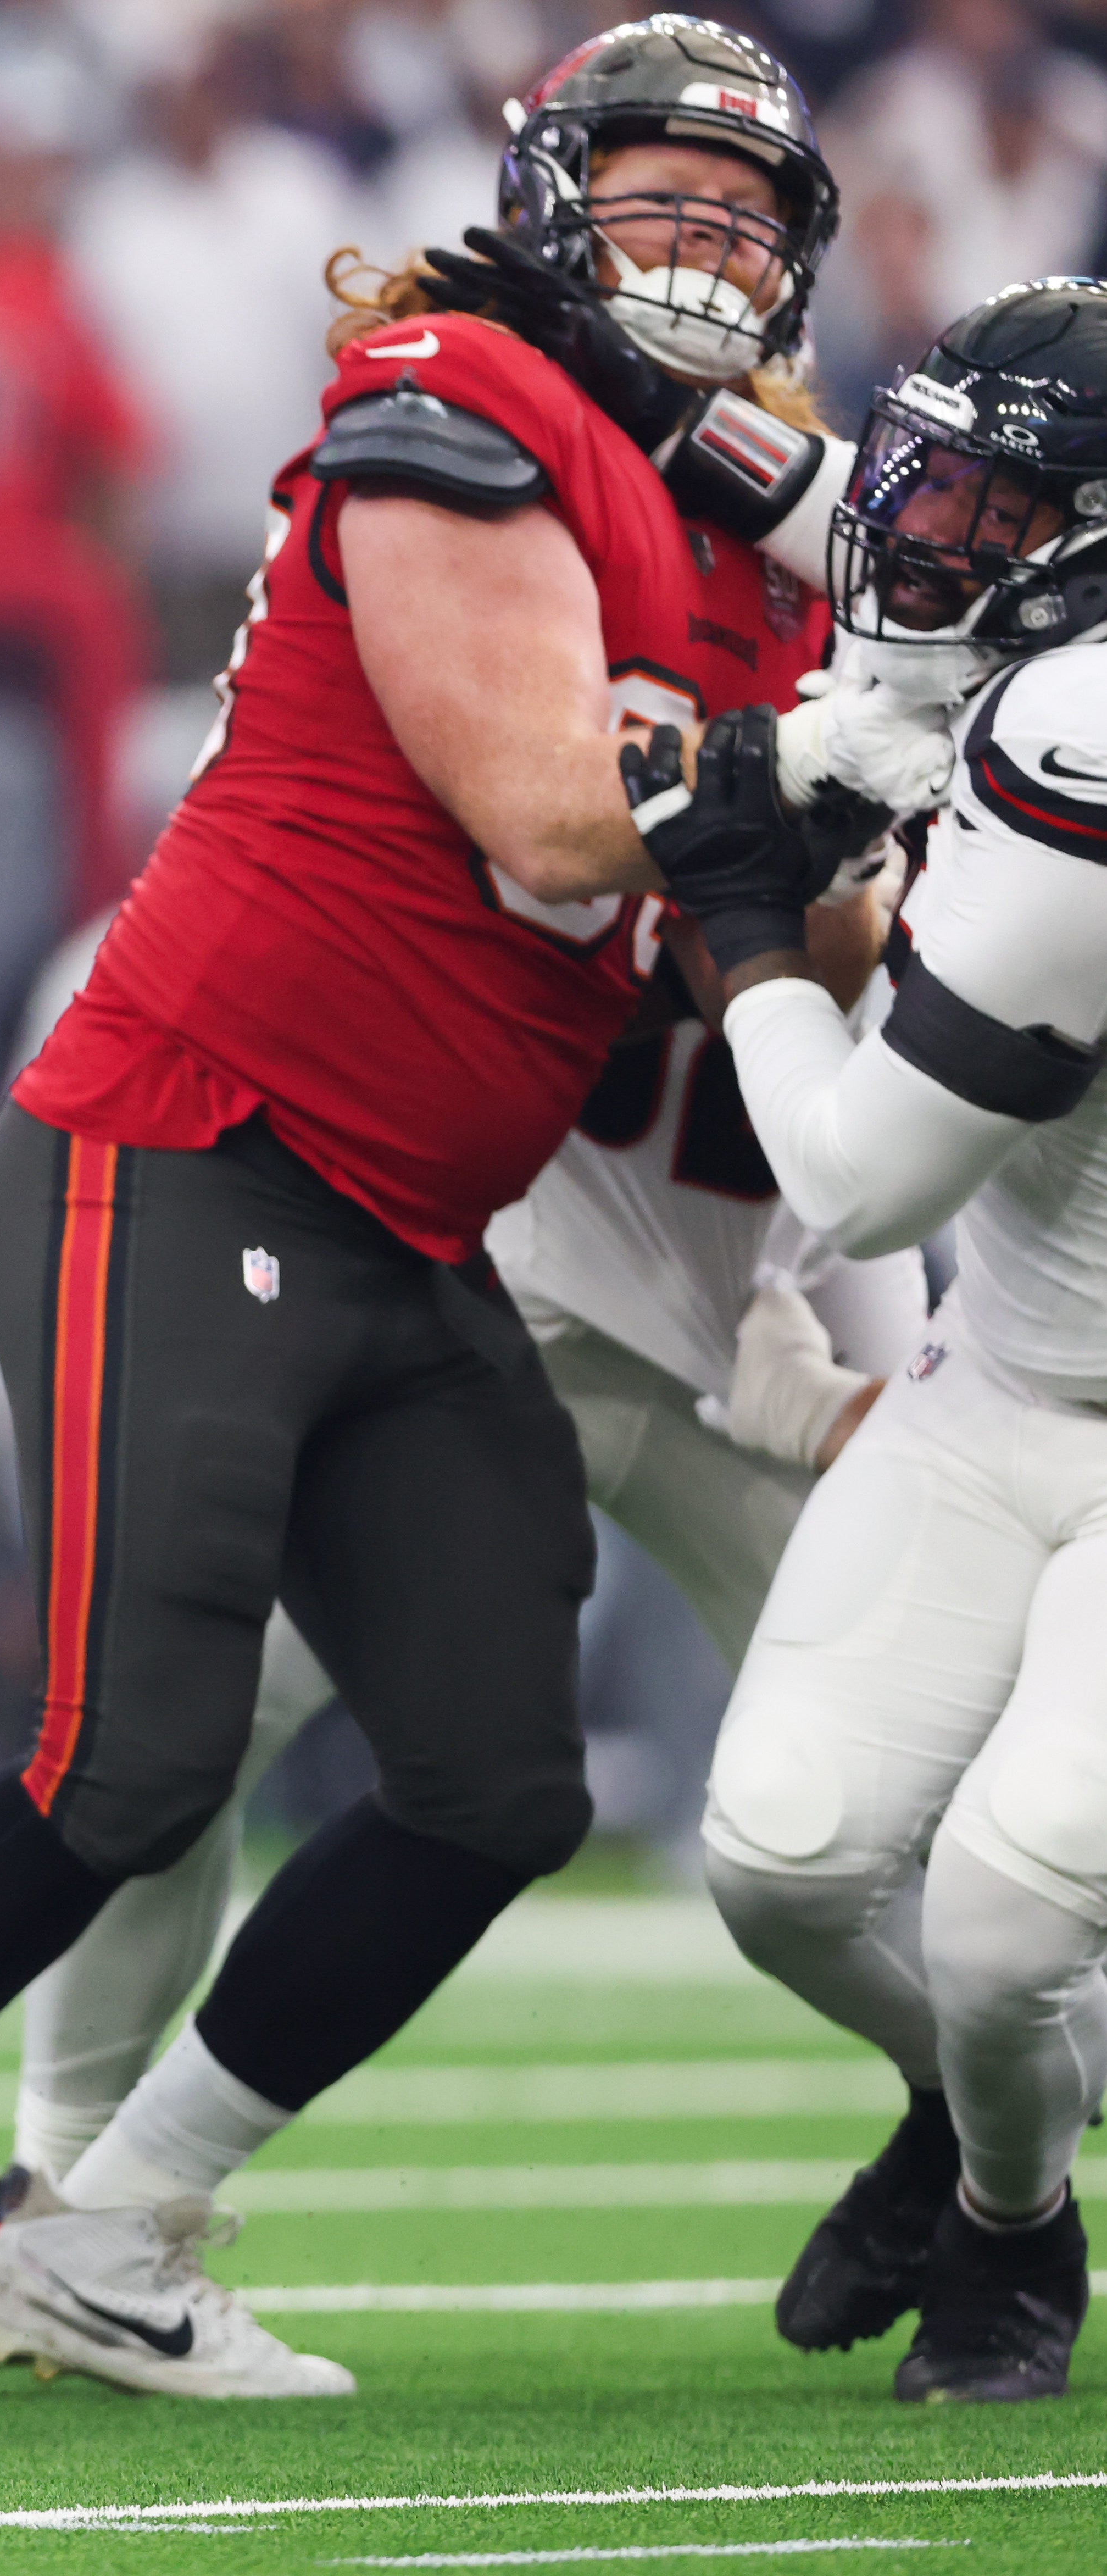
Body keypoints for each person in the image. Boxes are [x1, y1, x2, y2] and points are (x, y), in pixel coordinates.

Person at [0, 18, 943, 2414]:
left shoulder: (744, 553)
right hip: (186, 1137)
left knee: (495, 1776)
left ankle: (104, 2227)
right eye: (652, 197)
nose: (693, 246)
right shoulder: (457, 390)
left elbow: (763, 937)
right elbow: (543, 815)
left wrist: (907, 828)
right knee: (132, 1747)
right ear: (546, 196)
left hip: (414, 1218)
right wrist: (812, 757)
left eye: (737, 215)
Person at [688, 277, 1107, 2405]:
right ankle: (980, 2114)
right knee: (776, 1852)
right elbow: (808, 483)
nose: (917, 530)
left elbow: (854, 1183)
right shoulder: (1027, 623)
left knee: (1010, 1907)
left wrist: (743, 917)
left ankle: (1013, 2236)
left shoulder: (1079, 733)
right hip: (1006, 1372)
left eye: (983, 500)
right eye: (930, 471)